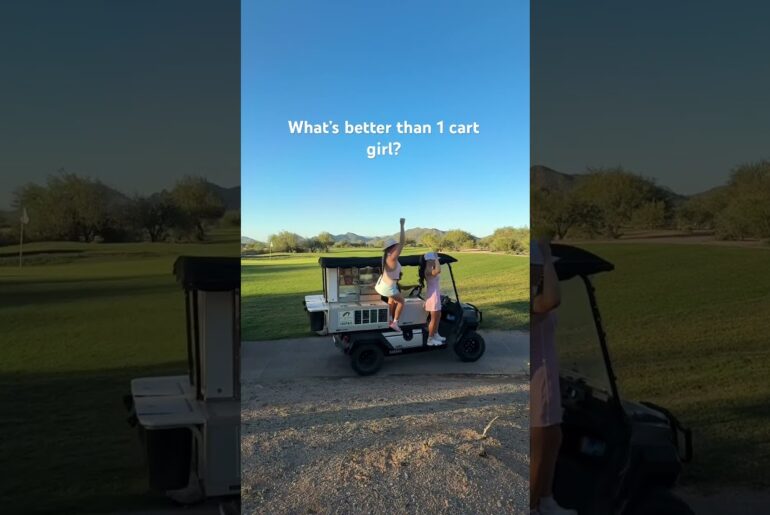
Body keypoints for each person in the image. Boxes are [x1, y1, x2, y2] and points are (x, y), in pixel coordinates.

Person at [530, 239, 576, 515]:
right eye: (536, 269)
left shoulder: (534, 294)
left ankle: (545, 498)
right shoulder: (531, 300)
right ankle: (533, 506)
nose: (540, 273)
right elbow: (552, 300)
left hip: (547, 374)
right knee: (541, 445)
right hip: (539, 379)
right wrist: (548, 259)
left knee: (554, 437)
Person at [375, 218, 406, 331]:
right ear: (392, 248)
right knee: (402, 301)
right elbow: (402, 242)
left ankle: (389, 319)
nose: (398, 247)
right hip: (387, 287)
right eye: (396, 246)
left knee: (391, 300)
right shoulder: (392, 257)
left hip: (383, 285)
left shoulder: (387, 256)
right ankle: (395, 323)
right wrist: (402, 225)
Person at [418, 252, 446, 346]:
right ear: (429, 260)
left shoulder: (431, 268)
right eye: (434, 260)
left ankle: (435, 334)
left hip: (435, 295)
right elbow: (438, 270)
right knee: (433, 319)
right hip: (433, 297)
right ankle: (430, 339)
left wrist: (435, 259)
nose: (435, 261)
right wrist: (437, 259)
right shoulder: (428, 270)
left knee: (438, 315)